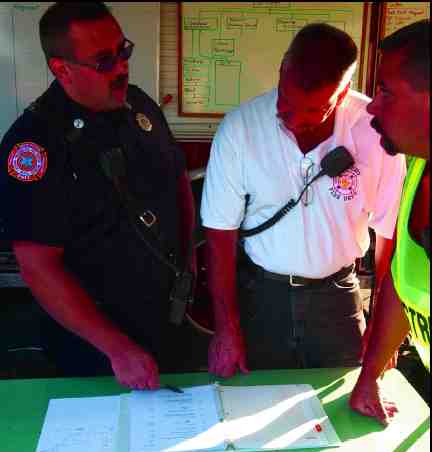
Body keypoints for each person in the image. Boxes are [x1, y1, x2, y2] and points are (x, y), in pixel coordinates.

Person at [0, 2, 197, 390]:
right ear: (62, 69)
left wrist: (188, 265)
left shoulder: (139, 104)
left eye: (123, 52)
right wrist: (117, 348)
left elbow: (177, 181)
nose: (121, 68)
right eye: (104, 61)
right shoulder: (33, 146)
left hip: (169, 322)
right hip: (95, 347)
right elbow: (38, 267)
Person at [200, 23, 406, 377]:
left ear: (342, 94)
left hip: (338, 298)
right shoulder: (240, 129)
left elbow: (390, 238)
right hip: (263, 297)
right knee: (253, 402)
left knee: (342, 402)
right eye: (286, 104)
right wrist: (227, 329)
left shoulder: (376, 132)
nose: (294, 120)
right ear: (282, 70)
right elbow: (219, 236)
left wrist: (381, 327)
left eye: (313, 112)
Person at [350, 19, 430, 425]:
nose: (372, 106)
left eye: (386, 91)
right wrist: (370, 376)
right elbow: (401, 281)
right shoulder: (415, 165)